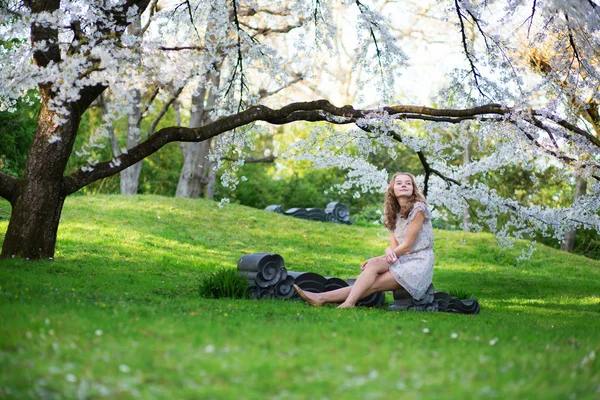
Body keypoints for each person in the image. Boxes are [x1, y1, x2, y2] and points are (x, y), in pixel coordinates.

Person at [294, 172, 434, 308]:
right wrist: (385, 253)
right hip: (402, 259)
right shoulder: (393, 212)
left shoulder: (418, 208)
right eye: (399, 183)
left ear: (413, 188)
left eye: (408, 183)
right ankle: (324, 299)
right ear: (392, 189)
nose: (404, 185)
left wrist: (387, 254)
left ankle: (333, 300)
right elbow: (395, 247)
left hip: (418, 262)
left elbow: (407, 246)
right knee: (372, 264)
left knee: (372, 284)